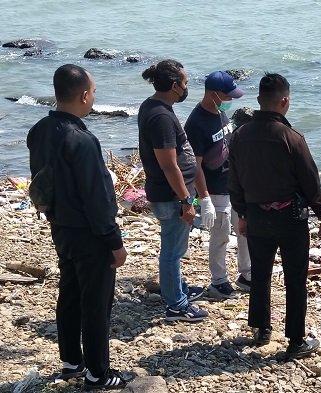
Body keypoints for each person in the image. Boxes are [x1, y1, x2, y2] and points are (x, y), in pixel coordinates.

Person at [27, 64, 130, 389]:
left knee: (70, 295)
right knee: (96, 303)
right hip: (88, 233)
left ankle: (72, 361)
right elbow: (96, 198)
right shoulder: (83, 140)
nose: (94, 97)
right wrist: (114, 241)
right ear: (84, 95)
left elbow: (41, 183)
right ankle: (98, 373)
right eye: (94, 91)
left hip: (60, 227)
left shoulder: (39, 131)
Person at [228, 73, 321, 359]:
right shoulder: (292, 138)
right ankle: (296, 341)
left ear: (259, 100)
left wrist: (242, 213)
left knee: (260, 274)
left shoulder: (240, 136)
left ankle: (261, 329)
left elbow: (234, 180)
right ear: (285, 101)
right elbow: (310, 182)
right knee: (295, 278)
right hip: (290, 218)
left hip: (257, 217)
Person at [138, 59, 212, 322]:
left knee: (174, 247)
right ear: (174, 85)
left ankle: (176, 289)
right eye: (185, 83)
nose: (186, 87)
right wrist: (186, 200)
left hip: (169, 194)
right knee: (173, 251)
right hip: (171, 196)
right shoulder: (160, 117)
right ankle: (176, 306)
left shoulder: (155, 107)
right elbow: (169, 165)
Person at [184, 70, 251, 297]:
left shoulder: (220, 114)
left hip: (233, 184)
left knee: (244, 229)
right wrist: (204, 198)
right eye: (227, 96)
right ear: (213, 94)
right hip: (214, 189)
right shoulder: (196, 123)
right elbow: (196, 165)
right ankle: (218, 280)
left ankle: (247, 274)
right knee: (221, 234)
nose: (231, 101)